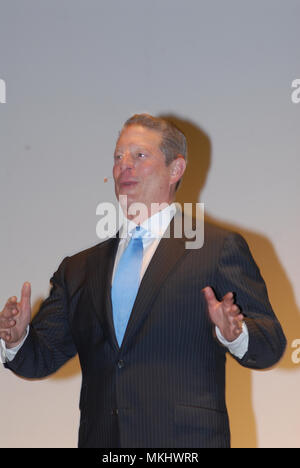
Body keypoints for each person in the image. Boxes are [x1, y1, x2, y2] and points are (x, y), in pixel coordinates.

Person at [0, 114, 286, 448]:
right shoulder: (79, 269)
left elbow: (270, 345)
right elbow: (41, 357)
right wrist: (17, 340)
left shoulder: (215, 249)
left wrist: (235, 334)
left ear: (175, 169)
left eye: (139, 155)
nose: (124, 166)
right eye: (118, 157)